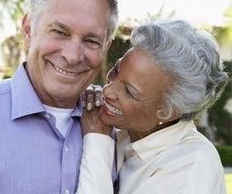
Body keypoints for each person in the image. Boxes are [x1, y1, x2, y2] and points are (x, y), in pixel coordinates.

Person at [0, 0, 118, 193]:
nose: (72, 57)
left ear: (106, 47)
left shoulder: (118, 129)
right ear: (28, 29)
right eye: (60, 32)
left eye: (91, 40)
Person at [81, 19, 228, 194]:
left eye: (129, 92)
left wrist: (97, 140)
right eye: (116, 70)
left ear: (167, 112)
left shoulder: (191, 166)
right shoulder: (125, 133)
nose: (108, 92)